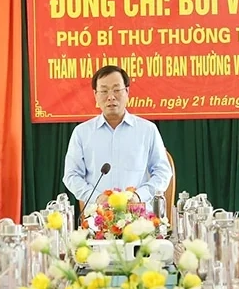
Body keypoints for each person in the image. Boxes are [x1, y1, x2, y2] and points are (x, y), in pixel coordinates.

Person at [62, 65, 173, 208]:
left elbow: (163, 172)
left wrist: (139, 195)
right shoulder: (82, 133)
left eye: (116, 90)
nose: (111, 97)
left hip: (138, 216)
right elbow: (71, 175)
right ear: (95, 95)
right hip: (98, 215)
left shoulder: (148, 130)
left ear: (127, 92)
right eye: (104, 91)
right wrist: (97, 197)